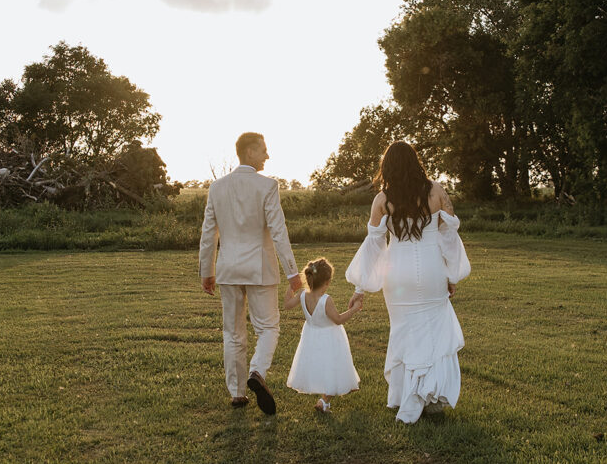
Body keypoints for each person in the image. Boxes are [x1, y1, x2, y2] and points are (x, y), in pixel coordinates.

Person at [345, 141, 471, 423]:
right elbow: (448, 235)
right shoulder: (437, 191)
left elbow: (374, 247)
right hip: (431, 269)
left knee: (404, 332)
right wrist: (451, 274)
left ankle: (409, 395)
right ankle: (425, 397)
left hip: (397, 271)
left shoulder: (382, 200)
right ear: (416, 162)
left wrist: (360, 287)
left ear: (387, 166)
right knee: (434, 332)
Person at [199, 132, 303, 414]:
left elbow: (209, 233)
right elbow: (279, 231)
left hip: (228, 269)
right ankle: (257, 372)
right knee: (268, 326)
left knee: (233, 331)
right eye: (263, 151)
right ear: (248, 152)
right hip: (260, 268)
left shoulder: (217, 188)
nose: (267, 156)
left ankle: (237, 393)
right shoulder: (267, 186)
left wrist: (206, 270)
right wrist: (293, 272)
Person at [284, 258, 361, 412]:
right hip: (330, 338)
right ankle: (324, 401)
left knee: (321, 366)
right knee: (333, 367)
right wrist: (354, 309)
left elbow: (286, 305)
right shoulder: (326, 300)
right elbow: (338, 320)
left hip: (311, 336)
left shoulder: (302, 295)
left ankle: (346, 387)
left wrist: (291, 287)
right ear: (326, 282)